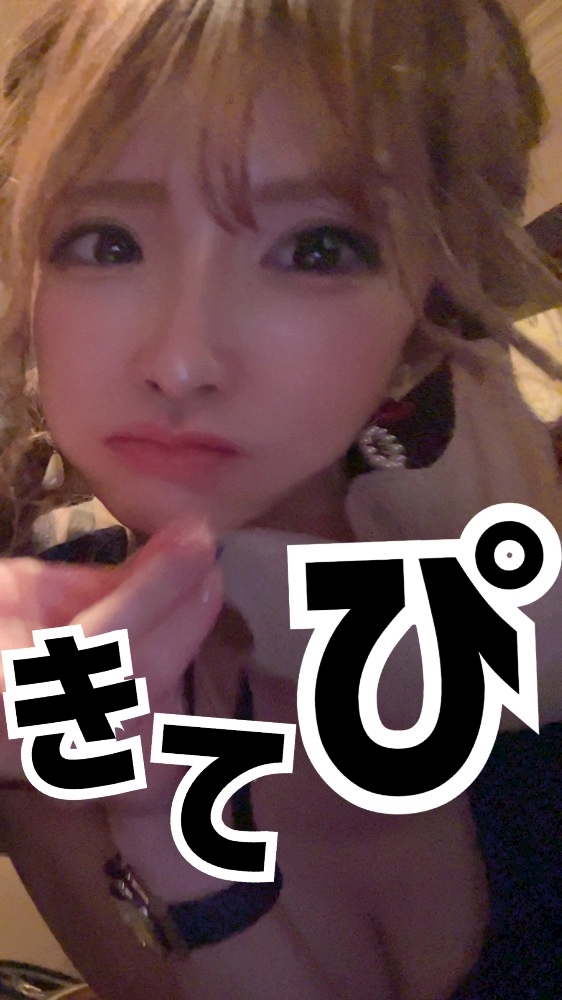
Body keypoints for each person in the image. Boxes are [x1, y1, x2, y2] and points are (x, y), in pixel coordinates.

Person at [0, 1, 560, 998]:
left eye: (316, 250)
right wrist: (160, 831)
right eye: (105, 242)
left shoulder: (515, 608)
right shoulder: (45, 652)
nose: (181, 360)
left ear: (429, 300)